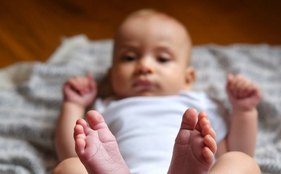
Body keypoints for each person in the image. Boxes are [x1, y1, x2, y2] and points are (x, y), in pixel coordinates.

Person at [53, 9, 261, 174]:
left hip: (199, 170)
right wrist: (74, 105)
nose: (144, 66)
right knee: (69, 167)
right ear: (112, 74)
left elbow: (237, 148)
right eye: (129, 58)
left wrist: (243, 111)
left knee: (240, 161)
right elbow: (73, 152)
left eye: (162, 59)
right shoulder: (105, 107)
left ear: (188, 78)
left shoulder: (201, 104)